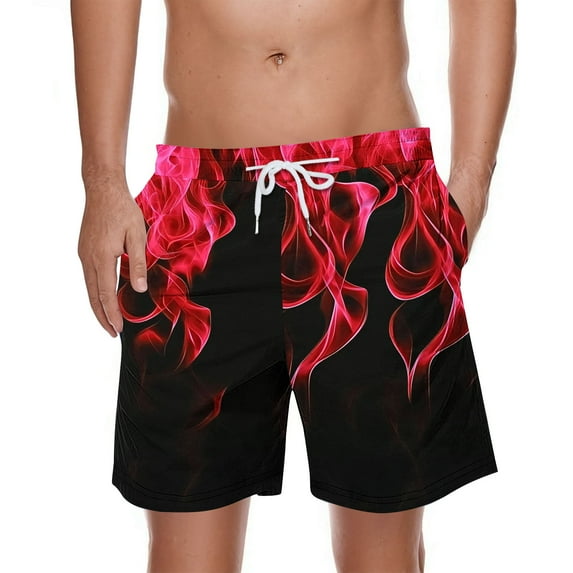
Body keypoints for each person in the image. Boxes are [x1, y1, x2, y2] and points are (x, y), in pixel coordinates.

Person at [71, 1, 516, 571]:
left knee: (383, 555)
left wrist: (472, 182)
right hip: (198, 215)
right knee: (184, 554)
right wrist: (102, 180)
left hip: (372, 204)